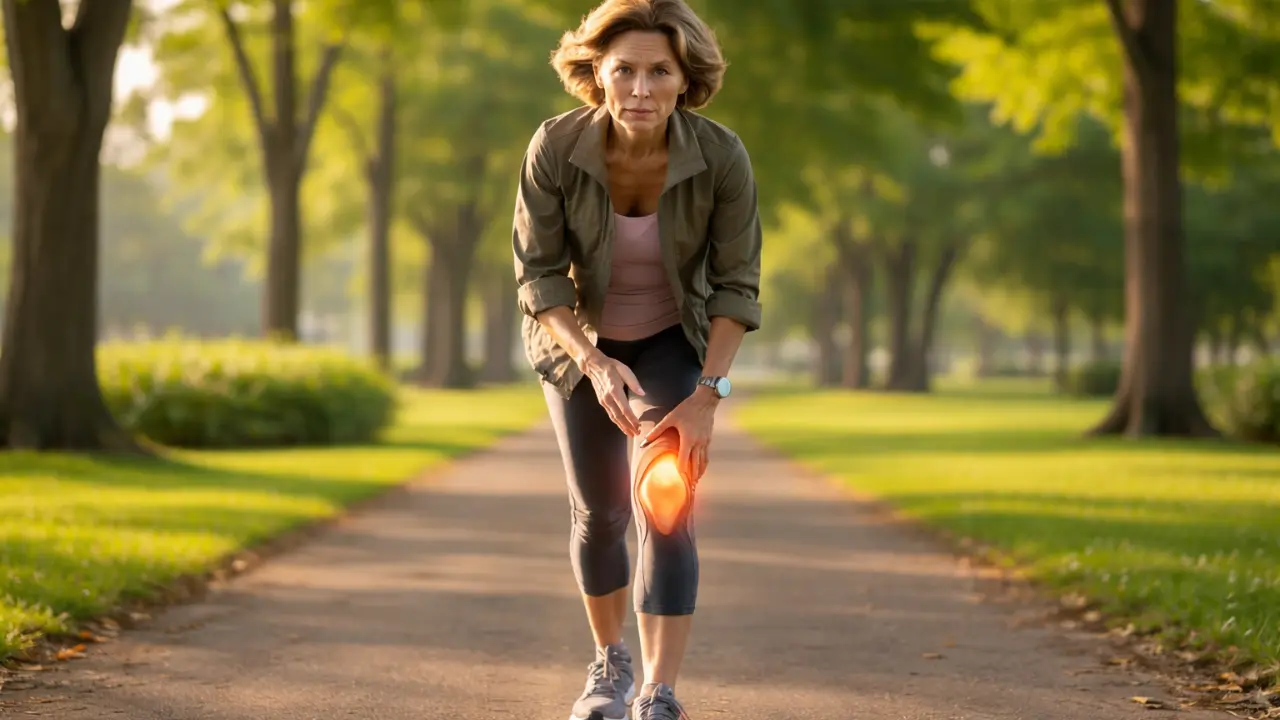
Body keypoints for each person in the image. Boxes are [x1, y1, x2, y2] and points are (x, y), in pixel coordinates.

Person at [511, 0, 762, 717]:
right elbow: (540, 277)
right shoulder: (555, 148)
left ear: (688, 80)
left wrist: (708, 394)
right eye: (624, 70)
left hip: (671, 342)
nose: (641, 89)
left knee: (668, 501)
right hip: (577, 347)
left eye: (660, 72)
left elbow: (737, 284)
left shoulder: (720, 157)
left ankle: (661, 692)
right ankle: (609, 663)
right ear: (597, 73)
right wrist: (591, 361)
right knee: (599, 512)